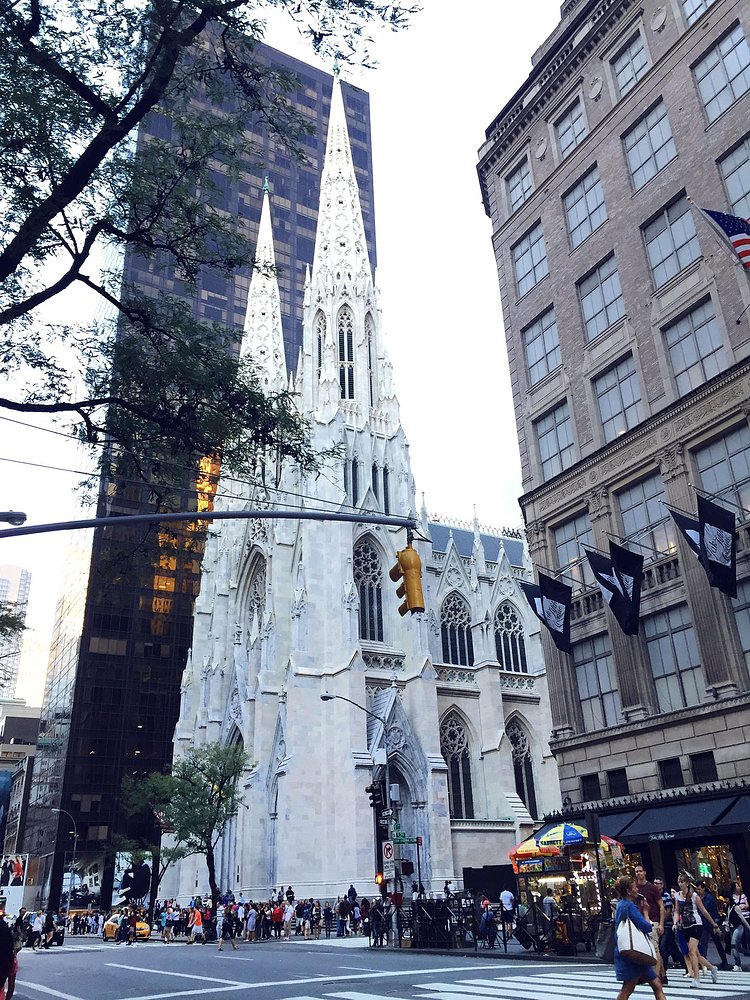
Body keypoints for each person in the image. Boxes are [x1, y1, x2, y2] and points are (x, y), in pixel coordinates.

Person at [613, 876, 666, 1000]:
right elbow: (646, 927)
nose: (637, 889)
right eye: (635, 887)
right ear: (628, 891)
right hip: (635, 955)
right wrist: (646, 911)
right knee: (628, 989)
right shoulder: (630, 906)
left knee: (656, 985)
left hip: (632, 952)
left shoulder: (621, 905)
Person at [674, 875, 719, 988]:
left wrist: (714, 924)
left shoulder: (694, 896)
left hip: (696, 925)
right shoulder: (677, 896)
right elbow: (676, 911)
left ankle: (696, 979)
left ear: (687, 883)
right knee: (697, 955)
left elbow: (703, 911)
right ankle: (712, 968)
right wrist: (675, 923)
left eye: (683, 882)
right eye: (679, 882)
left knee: (692, 951)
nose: (681, 884)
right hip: (685, 926)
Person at [634, 864, 666, 984]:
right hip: (641, 921)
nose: (638, 873)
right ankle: (662, 974)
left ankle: (656, 976)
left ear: (645, 872)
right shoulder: (635, 888)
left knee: (654, 948)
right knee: (649, 948)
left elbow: (661, 906)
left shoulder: (652, 888)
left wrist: (661, 923)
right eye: (636, 872)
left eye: (640, 871)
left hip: (653, 920)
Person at [696, 881, 728, 968]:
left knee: (717, 943)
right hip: (703, 924)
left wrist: (716, 924)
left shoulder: (709, 898)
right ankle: (704, 962)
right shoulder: (697, 898)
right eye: (697, 889)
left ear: (703, 888)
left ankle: (724, 961)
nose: (698, 891)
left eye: (699, 889)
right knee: (703, 943)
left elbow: (714, 912)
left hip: (711, 923)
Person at [728, 882, 750, 971]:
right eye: (737, 886)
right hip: (733, 925)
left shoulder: (742, 897)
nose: (739, 887)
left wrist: (748, 927)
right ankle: (746, 954)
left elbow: (742, 917)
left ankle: (737, 964)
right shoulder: (731, 907)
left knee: (733, 944)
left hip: (741, 922)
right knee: (739, 947)